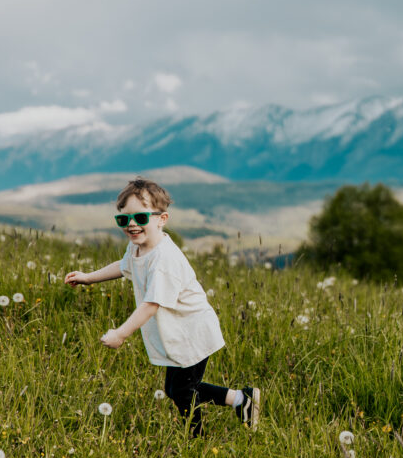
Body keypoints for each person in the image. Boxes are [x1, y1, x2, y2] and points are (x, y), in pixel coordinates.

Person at [64, 178, 260, 435]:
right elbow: (124, 267)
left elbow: (151, 305)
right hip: (177, 332)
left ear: (162, 218)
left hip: (192, 331)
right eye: (124, 220)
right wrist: (89, 277)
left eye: (140, 218)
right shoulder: (138, 248)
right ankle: (241, 400)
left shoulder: (164, 259)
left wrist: (120, 334)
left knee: (181, 390)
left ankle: (197, 439)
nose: (132, 225)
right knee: (176, 389)